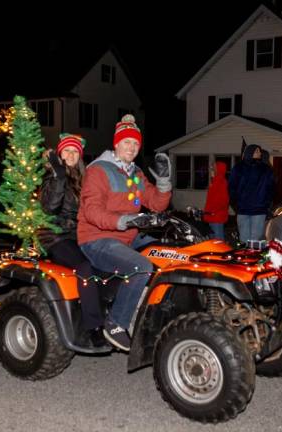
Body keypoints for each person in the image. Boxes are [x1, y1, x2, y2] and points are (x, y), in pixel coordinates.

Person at [78, 114, 172, 351]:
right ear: (116, 144)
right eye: (127, 142)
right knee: (142, 267)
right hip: (97, 239)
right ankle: (116, 322)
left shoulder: (136, 173)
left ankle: (153, 315)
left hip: (128, 237)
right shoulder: (98, 171)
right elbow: (91, 211)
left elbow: (156, 203)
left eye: (136, 143)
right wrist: (123, 221)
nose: (131, 147)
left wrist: (163, 184)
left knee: (171, 256)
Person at [38, 133, 107, 348]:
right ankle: (93, 327)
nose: (71, 154)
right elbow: (50, 208)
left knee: (109, 261)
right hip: (56, 237)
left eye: (75, 151)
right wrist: (58, 175)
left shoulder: (85, 180)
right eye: (67, 150)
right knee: (85, 268)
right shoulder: (52, 178)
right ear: (59, 154)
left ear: (80, 156)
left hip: (81, 236)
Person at [228, 144, 274, 244]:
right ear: (250, 152)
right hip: (243, 210)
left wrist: (266, 204)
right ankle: (245, 258)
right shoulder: (239, 168)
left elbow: (270, 189)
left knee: (256, 240)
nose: (260, 153)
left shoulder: (265, 169)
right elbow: (232, 187)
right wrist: (236, 205)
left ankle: (253, 258)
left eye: (260, 151)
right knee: (244, 239)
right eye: (257, 151)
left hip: (259, 210)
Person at [202, 161, 229, 240]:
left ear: (217, 170)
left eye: (213, 169)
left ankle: (221, 252)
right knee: (213, 238)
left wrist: (213, 211)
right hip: (212, 215)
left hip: (217, 216)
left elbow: (223, 200)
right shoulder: (215, 181)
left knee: (218, 239)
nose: (211, 171)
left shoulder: (221, 182)